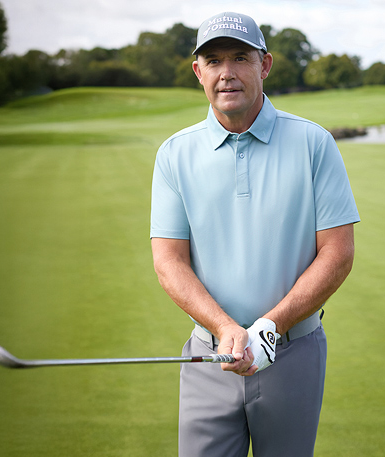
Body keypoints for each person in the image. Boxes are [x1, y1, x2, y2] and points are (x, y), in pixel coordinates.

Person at [150, 11, 360, 457]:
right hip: (210, 357)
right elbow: (169, 260)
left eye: (240, 58)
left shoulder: (313, 143)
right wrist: (226, 328)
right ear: (198, 72)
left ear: (264, 65)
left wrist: (269, 326)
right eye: (214, 60)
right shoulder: (174, 154)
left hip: (293, 353)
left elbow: (337, 253)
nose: (227, 73)